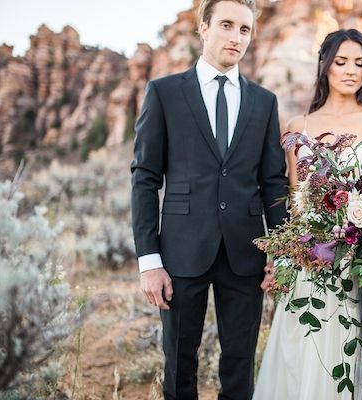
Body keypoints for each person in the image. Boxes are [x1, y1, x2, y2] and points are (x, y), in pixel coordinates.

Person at [130, 0, 288, 398]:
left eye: (245, 29)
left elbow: (273, 182)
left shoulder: (264, 102)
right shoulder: (164, 92)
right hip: (181, 252)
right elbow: (145, 179)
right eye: (227, 25)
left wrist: (281, 251)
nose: (236, 37)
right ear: (203, 27)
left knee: (239, 365)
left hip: (246, 252)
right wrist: (149, 261)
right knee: (180, 362)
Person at [253, 29, 362, 400]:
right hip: (314, 265)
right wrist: (284, 258)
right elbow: (298, 204)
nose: (351, 71)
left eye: (359, 63)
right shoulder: (299, 127)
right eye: (341, 62)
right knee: (307, 355)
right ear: (324, 66)